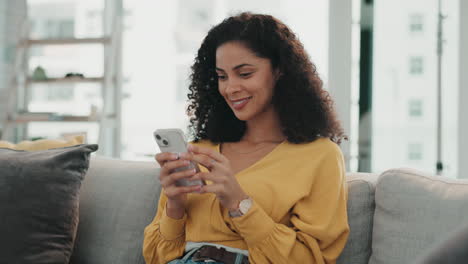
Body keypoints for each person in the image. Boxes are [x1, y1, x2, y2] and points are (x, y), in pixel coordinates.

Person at [143, 12, 349, 264]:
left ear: (279, 70)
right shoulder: (199, 151)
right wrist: (174, 204)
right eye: (222, 76)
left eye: (245, 73)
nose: (230, 88)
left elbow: (311, 259)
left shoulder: (320, 156)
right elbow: (155, 257)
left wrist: (239, 203)